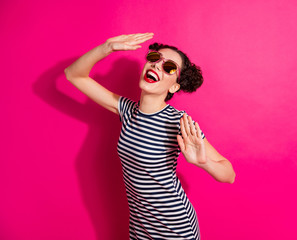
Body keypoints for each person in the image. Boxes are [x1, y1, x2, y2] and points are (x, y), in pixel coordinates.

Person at [64, 33, 235, 240]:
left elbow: (229, 174)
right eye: (154, 59)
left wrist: (203, 162)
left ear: (174, 86)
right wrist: (107, 47)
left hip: (175, 228)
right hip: (140, 226)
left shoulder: (177, 121)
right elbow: (73, 75)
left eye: (169, 67)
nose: (156, 66)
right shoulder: (127, 110)